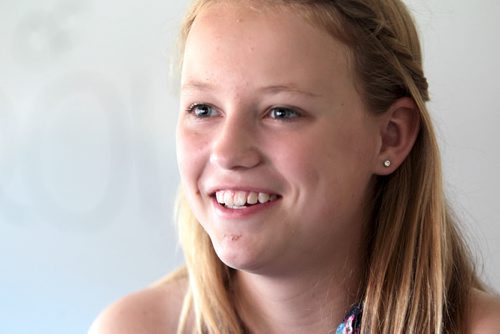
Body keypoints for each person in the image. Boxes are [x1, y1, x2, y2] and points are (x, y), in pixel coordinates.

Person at [89, 0, 500, 333]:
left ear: (390, 136)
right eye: (203, 108)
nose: (228, 152)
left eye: (281, 112)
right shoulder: (133, 327)